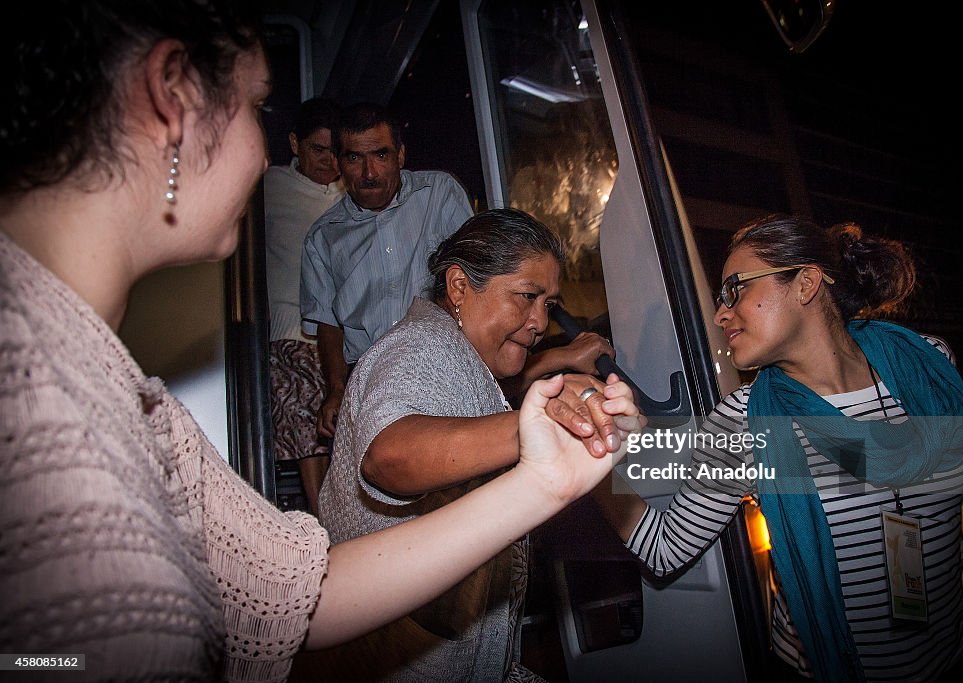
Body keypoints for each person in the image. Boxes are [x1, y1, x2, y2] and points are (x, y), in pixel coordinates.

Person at [0, 3, 643, 681]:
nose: (266, 150)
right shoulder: (35, 396)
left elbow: (301, 599)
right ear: (174, 98)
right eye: (257, 107)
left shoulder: (132, 402)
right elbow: (385, 451)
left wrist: (545, 482)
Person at [592, 214, 963, 681]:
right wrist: (586, 468)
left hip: (956, 660)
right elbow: (665, 549)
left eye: (735, 289)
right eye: (720, 299)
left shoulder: (927, 363)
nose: (720, 313)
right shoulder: (742, 422)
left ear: (806, 284)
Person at [306, 208, 622, 682]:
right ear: (458, 287)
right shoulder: (422, 347)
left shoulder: (462, 360)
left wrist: (552, 366)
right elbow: (389, 456)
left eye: (548, 305)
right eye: (527, 297)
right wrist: (533, 427)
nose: (539, 321)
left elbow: (478, 406)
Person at [298, 102, 474, 442]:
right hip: (373, 385)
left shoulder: (438, 193)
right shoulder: (322, 238)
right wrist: (336, 390)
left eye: (381, 155)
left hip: (450, 365)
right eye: (354, 158)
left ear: (401, 156)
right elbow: (327, 324)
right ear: (338, 163)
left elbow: (478, 274)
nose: (369, 172)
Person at [264, 96, 345, 517]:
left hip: (344, 332)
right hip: (289, 326)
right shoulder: (269, 186)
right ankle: (322, 521)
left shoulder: (351, 191)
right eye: (318, 150)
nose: (329, 161)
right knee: (304, 412)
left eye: (336, 151)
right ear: (295, 144)